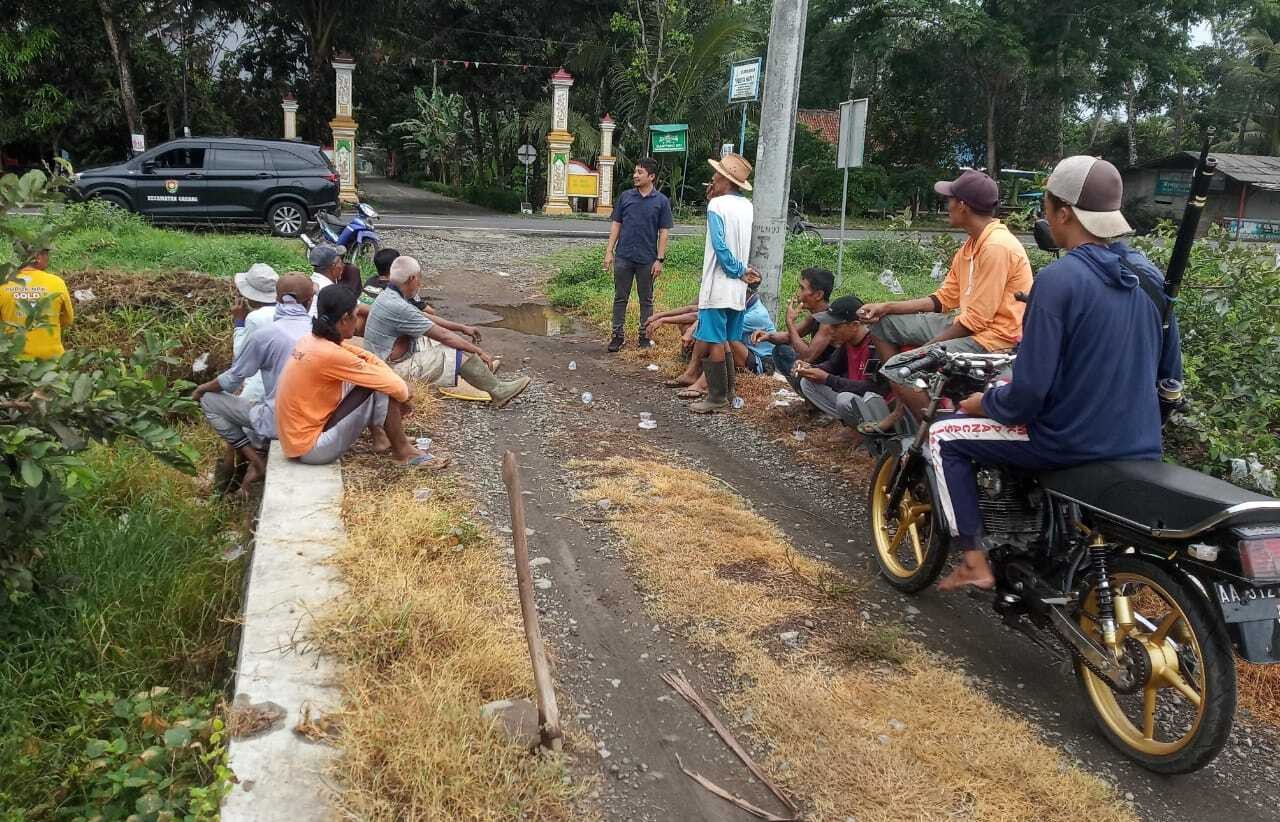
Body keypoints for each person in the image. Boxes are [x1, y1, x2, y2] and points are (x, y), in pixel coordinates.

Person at [929, 156, 1182, 591]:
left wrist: (984, 402)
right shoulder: (1149, 278)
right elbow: (1170, 376)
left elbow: (1027, 395)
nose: (1043, 212)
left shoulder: (1059, 279)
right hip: (1140, 443)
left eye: (1046, 203)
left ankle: (973, 560)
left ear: (1063, 212)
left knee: (943, 436)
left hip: (1068, 442)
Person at [856, 170, 1032, 430]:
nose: (946, 204)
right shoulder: (971, 246)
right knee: (883, 324)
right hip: (967, 324)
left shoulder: (997, 247)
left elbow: (977, 322)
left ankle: (934, 434)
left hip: (991, 339)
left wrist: (925, 351)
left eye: (950, 199)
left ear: (963, 206)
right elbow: (943, 299)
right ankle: (908, 406)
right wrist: (887, 307)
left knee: (899, 367)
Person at [274, 284, 427, 466]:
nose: (359, 321)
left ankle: (383, 439)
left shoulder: (311, 340)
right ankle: (404, 453)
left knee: (376, 378)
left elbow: (367, 357)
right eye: (356, 315)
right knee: (378, 385)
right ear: (345, 319)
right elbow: (398, 388)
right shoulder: (328, 354)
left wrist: (393, 382)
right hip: (312, 449)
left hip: (296, 444)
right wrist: (405, 397)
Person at [193, 274, 315, 492]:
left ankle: (254, 463)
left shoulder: (264, 333)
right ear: (310, 301)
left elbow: (231, 380)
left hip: (278, 422)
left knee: (210, 400)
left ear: (278, 299)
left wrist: (202, 388)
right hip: (314, 425)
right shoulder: (321, 334)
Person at [363, 256, 531, 408]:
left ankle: (482, 376)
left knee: (444, 342)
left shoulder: (389, 295)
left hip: (385, 359)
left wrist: (460, 327)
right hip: (388, 369)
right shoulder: (398, 306)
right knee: (451, 350)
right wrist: (478, 351)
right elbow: (444, 335)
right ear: (412, 279)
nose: (420, 283)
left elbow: (424, 317)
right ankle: (497, 390)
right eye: (419, 278)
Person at [689, 152, 759, 414]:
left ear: (726, 180)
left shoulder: (716, 206)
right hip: (738, 290)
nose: (713, 179)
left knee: (716, 341)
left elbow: (720, 246)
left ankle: (716, 397)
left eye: (716, 175)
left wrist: (736, 270)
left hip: (720, 283)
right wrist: (742, 273)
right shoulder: (747, 206)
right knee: (728, 339)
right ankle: (728, 393)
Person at [604, 158, 674, 352]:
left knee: (646, 299)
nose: (635, 175)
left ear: (651, 176)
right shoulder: (625, 197)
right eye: (635, 172)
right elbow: (616, 224)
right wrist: (609, 251)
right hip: (624, 256)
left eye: (640, 172)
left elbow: (664, 232)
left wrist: (659, 259)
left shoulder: (661, 201)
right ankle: (617, 336)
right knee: (620, 297)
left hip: (647, 259)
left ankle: (644, 336)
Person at [795, 295, 879, 435]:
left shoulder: (875, 345)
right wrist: (810, 369)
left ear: (854, 325)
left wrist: (827, 378)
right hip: (855, 398)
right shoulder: (848, 342)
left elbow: (871, 387)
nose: (831, 330)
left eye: (836, 326)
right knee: (807, 383)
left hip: (874, 403)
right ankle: (852, 427)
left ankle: (867, 435)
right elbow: (833, 365)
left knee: (844, 400)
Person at [752, 267, 837, 390]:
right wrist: (768, 336)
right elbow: (789, 336)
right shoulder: (815, 316)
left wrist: (790, 322)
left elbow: (807, 356)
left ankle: (813, 400)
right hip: (821, 368)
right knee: (781, 351)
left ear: (818, 295)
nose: (798, 293)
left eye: (802, 288)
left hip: (832, 376)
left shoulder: (827, 322)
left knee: (794, 358)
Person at [0, 244, 73, 359]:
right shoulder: (57, 283)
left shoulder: (3, 284)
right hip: (51, 362)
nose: (47, 258)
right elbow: (67, 320)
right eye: (46, 254)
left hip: (14, 363)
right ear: (37, 257)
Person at [231, 263, 279, 404]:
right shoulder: (286, 309)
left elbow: (241, 353)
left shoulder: (255, 318)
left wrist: (240, 321)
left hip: (262, 382)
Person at [307, 243, 349, 317]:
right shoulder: (332, 290)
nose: (343, 265)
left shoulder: (308, 281)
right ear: (333, 266)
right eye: (340, 261)